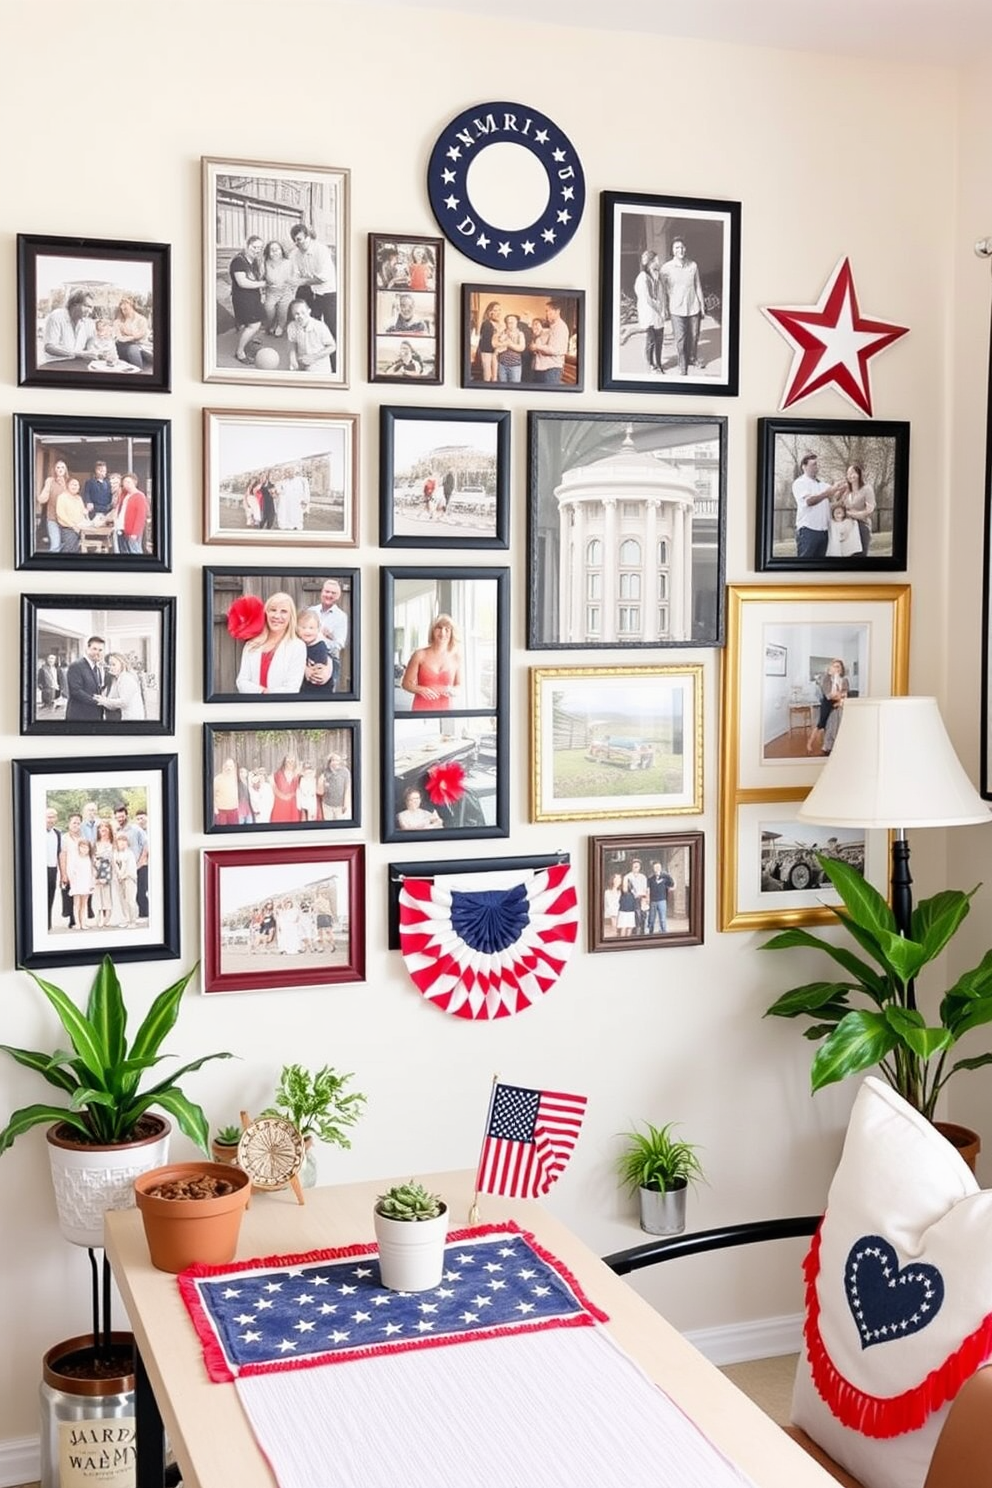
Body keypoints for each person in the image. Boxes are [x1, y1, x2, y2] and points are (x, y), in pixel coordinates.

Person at [236, 592, 307, 694]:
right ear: (266, 613)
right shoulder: (251, 644)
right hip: (251, 706)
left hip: (280, 707)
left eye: (284, 611)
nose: (277, 616)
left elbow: (292, 687)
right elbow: (242, 682)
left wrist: (268, 696)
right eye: (273, 610)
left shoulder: (297, 647)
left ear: (291, 617)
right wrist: (262, 692)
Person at [289, 222, 337, 359]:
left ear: (308, 237)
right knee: (311, 324)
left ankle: (335, 363)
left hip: (329, 292)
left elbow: (323, 278)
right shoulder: (295, 254)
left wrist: (302, 281)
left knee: (331, 326)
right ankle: (313, 355)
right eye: (294, 240)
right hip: (313, 292)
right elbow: (296, 274)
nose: (297, 243)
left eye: (299, 239)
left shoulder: (321, 250)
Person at [659, 237, 705, 376]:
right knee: (680, 338)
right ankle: (682, 364)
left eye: (682, 247)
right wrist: (663, 308)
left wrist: (702, 305)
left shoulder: (693, 265)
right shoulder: (666, 268)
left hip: (693, 307)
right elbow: (661, 291)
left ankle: (692, 358)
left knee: (694, 335)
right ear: (672, 251)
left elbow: (698, 286)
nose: (680, 250)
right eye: (677, 247)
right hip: (676, 309)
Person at [401, 614, 462, 710]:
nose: (442, 633)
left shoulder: (456, 657)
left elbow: (459, 687)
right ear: (432, 631)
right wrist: (421, 689)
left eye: (447, 629)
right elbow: (405, 684)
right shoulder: (419, 655)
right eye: (439, 628)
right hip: (421, 710)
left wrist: (450, 690)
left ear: (452, 633)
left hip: (446, 712)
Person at [792, 452, 842, 562]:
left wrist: (846, 483)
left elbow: (837, 493)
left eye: (817, 464)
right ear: (804, 467)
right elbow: (809, 501)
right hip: (808, 532)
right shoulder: (800, 483)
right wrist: (827, 493)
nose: (816, 467)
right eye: (813, 464)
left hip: (824, 533)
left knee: (819, 568)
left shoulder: (822, 484)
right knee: (804, 568)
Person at [307, 578, 348, 691]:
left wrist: (320, 640)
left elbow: (339, 644)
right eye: (327, 591)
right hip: (308, 656)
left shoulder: (341, 617)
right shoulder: (311, 611)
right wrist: (325, 636)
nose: (329, 595)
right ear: (322, 592)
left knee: (326, 693)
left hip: (329, 659)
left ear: (338, 596)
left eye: (333, 593)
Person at [230, 234, 265, 364]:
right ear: (247, 246)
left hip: (253, 297)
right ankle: (239, 352)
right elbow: (242, 282)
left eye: (260, 248)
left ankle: (248, 339)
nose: (257, 250)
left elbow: (255, 278)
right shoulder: (239, 261)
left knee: (256, 322)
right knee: (254, 325)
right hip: (243, 299)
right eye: (254, 247)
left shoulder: (253, 261)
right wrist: (263, 284)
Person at [42, 288, 97, 362]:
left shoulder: (89, 323)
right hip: (54, 365)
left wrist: (99, 353)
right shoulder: (57, 316)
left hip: (77, 365)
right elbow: (49, 347)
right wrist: (79, 354)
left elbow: (91, 348)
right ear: (74, 304)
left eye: (91, 307)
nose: (90, 311)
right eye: (87, 306)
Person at [808, 659, 849, 755]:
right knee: (821, 725)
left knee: (836, 725)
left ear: (842, 669)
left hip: (837, 705)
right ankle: (811, 743)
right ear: (831, 668)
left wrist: (839, 698)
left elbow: (845, 695)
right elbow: (830, 695)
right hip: (827, 704)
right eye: (834, 666)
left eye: (838, 666)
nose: (836, 668)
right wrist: (839, 693)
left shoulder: (845, 680)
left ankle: (834, 746)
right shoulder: (826, 679)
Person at [287, 298, 336, 375]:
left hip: (319, 365)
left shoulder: (320, 327)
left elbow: (332, 346)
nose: (300, 316)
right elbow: (293, 342)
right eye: (296, 314)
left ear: (309, 311)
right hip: (301, 362)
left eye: (303, 312)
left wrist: (314, 357)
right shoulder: (291, 326)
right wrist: (292, 357)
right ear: (292, 315)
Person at [634, 250, 665, 371]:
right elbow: (647, 298)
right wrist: (659, 309)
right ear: (649, 262)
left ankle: (659, 363)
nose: (658, 262)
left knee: (659, 339)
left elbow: (661, 293)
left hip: (658, 312)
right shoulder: (642, 277)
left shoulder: (657, 275)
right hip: (649, 312)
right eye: (655, 260)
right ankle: (651, 364)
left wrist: (663, 309)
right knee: (651, 339)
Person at [65, 636, 106, 722]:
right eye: (94, 649)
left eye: (100, 650)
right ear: (87, 648)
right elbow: (76, 691)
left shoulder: (97, 668)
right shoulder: (76, 666)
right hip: (79, 716)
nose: (97, 652)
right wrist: (99, 701)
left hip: (94, 715)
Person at [531, 298, 570, 384]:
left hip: (552, 369)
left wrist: (537, 347)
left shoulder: (560, 327)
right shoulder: (552, 327)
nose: (547, 314)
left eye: (549, 311)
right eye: (546, 311)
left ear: (557, 311)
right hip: (544, 368)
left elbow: (555, 349)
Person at [261, 240, 295, 337]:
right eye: (272, 250)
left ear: (282, 250)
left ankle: (280, 326)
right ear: (268, 252)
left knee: (283, 311)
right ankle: (272, 324)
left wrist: (292, 292)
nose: (275, 252)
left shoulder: (288, 263)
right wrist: (263, 293)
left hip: (286, 291)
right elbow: (261, 278)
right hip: (271, 292)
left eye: (277, 249)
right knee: (269, 310)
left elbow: (294, 278)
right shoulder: (265, 263)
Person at [98, 652, 146, 720]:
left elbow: (124, 702)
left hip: (131, 717)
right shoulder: (119, 678)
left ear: (122, 663)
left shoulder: (126, 678)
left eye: (114, 664)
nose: (111, 667)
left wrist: (104, 701)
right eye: (109, 665)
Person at [37, 458, 71, 553]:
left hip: (66, 519)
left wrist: (64, 485)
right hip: (52, 518)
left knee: (66, 544)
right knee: (55, 546)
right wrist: (48, 485)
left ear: (65, 470)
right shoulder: (50, 481)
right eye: (58, 467)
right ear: (55, 470)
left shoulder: (69, 482)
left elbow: (71, 500)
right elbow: (41, 499)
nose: (60, 469)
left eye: (62, 467)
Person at [297, 610, 334, 696]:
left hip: (320, 691)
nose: (307, 631)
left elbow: (317, 674)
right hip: (304, 690)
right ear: (297, 629)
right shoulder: (298, 645)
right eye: (303, 627)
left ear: (318, 629)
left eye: (311, 628)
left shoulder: (320, 647)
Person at [844, 463, 876, 557]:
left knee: (860, 556)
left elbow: (869, 510)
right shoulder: (847, 492)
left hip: (862, 526)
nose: (850, 475)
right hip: (848, 528)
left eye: (853, 472)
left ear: (859, 474)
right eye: (848, 473)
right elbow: (841, 509)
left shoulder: (867, 489)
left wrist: (851, 514)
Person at [112, 295, 153, 368]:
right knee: (131, 349)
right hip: (122, 346)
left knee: (136, 350)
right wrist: (133, 337)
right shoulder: (118, 320)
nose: (122, 308)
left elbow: (142, 334)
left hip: (140, 345)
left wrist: (128, 334)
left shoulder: (141, 320)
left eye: (125, 306)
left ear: (132, 306)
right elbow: (119, 338)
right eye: (122, 306)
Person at [115, 473, 148, 555]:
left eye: (129, 482)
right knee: (124, 551)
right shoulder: (124, 495)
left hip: (132, 530)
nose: (126, 484)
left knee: (135, 550)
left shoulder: (139, 496)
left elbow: (141, 517)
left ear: (134, 482)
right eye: (124, 482)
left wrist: (135, 532)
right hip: (122, 528)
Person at [55, 477, 90, 552]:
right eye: (72, 484)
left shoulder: (79, 498)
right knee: (68, 550)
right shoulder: (62, 497)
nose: (75, 486)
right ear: (67, 485)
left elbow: (82, 512)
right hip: (68, 529)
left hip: (79, 529)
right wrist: (73, 526)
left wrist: (86, 511)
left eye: (77, 485)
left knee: (76, 550)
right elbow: (60, 514)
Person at [91, 821, 115, 929]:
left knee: (108, 895)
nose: (103, 830)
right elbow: (92, 859)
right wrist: (95, 871)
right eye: (101, 829)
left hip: (110, 872)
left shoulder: (113, 843)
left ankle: (108, 918)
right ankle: (99, 917)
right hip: (98, 871)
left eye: (106, 828)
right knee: (98, 896)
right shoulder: (95, 844)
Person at [111, 833, 139, 927]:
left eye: (124, 841)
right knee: (122, 900)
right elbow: (114, 866)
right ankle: (126, 919)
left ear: (127, 843)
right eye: (120, 841)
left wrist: (124, 876)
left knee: (130, 900)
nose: (122, 843)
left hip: (129, 879)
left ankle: (133, 921)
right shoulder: (115, 854)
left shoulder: (130, 853)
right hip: (119, 880)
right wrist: (118, 876)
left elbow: (131, 868)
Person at [68, 839, 94, 931]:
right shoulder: (75, 857)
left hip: (86, 883)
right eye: (82, 847)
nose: (84, 849)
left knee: (84, 904)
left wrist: (91, 883)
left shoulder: (89, 859)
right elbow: (71, 871)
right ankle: (77, 923)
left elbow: (91, 872)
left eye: (86, 847)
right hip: (77, 883)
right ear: (78, 847)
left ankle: (83, 923)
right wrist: (73, 882)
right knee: (77, 904)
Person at [317, 753, 352, 820]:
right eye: (333, 760)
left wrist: (346, 804)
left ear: (340, 761)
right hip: (327, 805)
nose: (335, 762)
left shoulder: (345, 772)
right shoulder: (325, 772)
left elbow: (347, 789)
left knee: (340, 826)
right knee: (328, 826)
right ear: (330, 761)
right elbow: (320, 792)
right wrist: (321, 783)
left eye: (337, 760)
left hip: (340, 806)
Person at [270, 754, 303, 823]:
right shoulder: (277, 774)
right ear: (284, 762)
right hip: (280, 804)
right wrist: (283, 796)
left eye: (292, 761)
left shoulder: (298, 776)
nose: (290, 763)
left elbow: (300, 790)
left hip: (293, 804)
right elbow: (274, 788)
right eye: (288, 761)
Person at [646, 861, 676, 934]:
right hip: (653, 901)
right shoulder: (650, 879)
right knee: (651, 919)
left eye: (658, 867)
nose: (657, 868)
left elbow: (672, 885)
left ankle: (664, 933)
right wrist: (648, 900)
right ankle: (650, 933)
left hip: (662, 900)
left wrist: (669, 876)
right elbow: (648, 890)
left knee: (662, 919)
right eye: (655, 867)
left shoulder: (665, 878)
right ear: (653, 868)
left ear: (661, 868)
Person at [495, 313, 526, 383]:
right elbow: (497, 346)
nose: (511, 324)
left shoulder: (520, 334)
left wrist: (509, 344)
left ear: (516, 322)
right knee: (501, 388)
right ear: (506, 323)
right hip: (502, 365)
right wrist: (502, 342)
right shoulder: (503, 333)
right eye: (509, 322)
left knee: (515, 388)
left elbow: (521, 348)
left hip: (515, 366)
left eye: (513, 322)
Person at [45, 807, 61, 930]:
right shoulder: (37, 832)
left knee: (51, 895)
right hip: (40, 869)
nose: (51, 819)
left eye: (53, 817)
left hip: (52, 869)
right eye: (49, 816)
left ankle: (48, 923)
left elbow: (59, 853)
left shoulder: (57, 833)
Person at [624, 858, 649, 935]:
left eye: (638, 865)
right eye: (634, 865)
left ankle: (642, 934)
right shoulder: (627, 877)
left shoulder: (643, 877)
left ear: (640, 867)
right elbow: (625, 890)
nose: (636, 866)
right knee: (635, 918)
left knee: (643, 917)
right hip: (632, 900)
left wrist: (646, 899)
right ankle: (635, 935)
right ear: (631, 866)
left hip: (642, 899)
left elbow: (646, 889)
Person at [213, 758, 241, 827]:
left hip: (234, 811)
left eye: (231, 766)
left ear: (234, 767)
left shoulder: (236, 779)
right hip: (221, 811)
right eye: (227, 766)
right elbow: (211, 795)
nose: (229, 768)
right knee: (221, 832)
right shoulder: (217, 779)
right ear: (223, 767)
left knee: (234, 832)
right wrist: (214, 808)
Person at [603, 871, 623, 938]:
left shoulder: (620, 892)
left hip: (620, 913)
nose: (618, 881)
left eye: (619, 879)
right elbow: (608, 904)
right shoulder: (607, 892)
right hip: (611, 914)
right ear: (613, 880)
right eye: (616, 879)